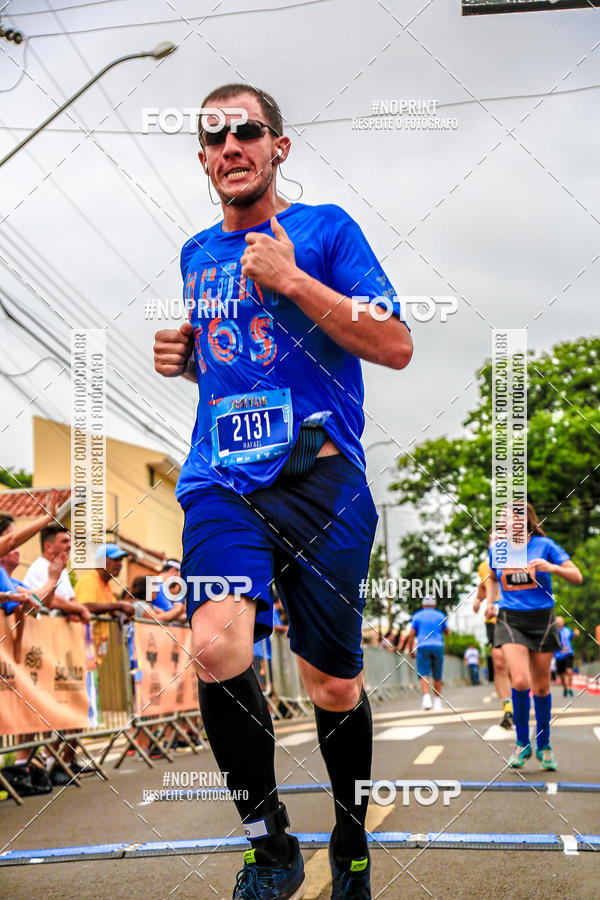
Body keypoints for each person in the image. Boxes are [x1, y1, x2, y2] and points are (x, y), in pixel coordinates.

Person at [153, 82, 413, 899]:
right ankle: (270, 844)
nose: (232, 148)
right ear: (202, 159)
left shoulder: (326, 230)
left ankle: (352, 837)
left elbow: (396, 343)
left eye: (248, 133)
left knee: (332, 683)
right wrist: (189, 356)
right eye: (215, 138)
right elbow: (243, 361)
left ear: (278, 148)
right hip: (221, 478)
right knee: (217, 644)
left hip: (322, 474)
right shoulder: (197, 253)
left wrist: (297, 281)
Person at [486, 502, 582, 771]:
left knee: (541, 687)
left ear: (523, 521)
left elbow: (577, 575)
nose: (502, 522)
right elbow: (493, 577)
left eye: (507, 517)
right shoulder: (498, 549)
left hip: (542, 619)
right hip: (510, 618)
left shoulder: (545, 545)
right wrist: (490, 603)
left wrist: (552, 569)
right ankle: (521, 743)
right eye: (501, 518)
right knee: (519, 680)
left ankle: (544, 744)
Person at [474, 534, 514, 729]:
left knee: (514, 663)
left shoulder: (518, 560)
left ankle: (519, 700)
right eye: (492, 539)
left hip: (516, 615)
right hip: (493, 618)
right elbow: (484, 586)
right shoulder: (484, 566)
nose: (495, 541)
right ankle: (507, 708)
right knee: (499, 661)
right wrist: (478, 600)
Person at [23, 524, 91, 624]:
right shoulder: (39, 568)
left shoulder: (62, 570)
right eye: (64, 541)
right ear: (48, 547)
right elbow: (49, 600)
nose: (70, 546)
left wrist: (74, 611)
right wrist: (80, 609)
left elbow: (71, 599)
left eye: (70, 541)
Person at [406, 597, 449, 710]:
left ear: (423, 605)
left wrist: (411, 648)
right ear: (434, 605)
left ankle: (426, 700)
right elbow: (447, 631)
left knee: (423, 673)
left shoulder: (417, 616)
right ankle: (438, 702)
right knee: (437, 674)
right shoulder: (440, 615)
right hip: (438, 646)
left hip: (423, 646)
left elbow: (411, 634)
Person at [554, 615, 579, 698]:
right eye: (557, 622)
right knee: (561, 675)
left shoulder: (567, 630)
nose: (559, 623)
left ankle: (570, 687)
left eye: (560, 621)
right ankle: (564, 687)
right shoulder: (554, 631)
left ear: (563, 622)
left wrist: (575, 634)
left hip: (569, 654)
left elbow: (572, 637)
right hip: (558, 656)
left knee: (569, 671)